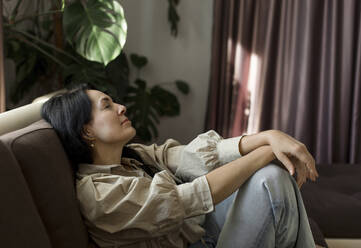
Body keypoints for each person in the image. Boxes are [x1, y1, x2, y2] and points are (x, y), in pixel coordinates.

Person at [41, 84, 319, 248]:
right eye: (107, 106)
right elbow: (194, 196)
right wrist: (267, 151)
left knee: (272, 176)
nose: (122, 107)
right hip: (198, 241)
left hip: (202, 237)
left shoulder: (133, 157)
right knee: (269, 178)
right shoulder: (100, 196)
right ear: (87, 132)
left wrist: (269, 136)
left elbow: (194, 156)